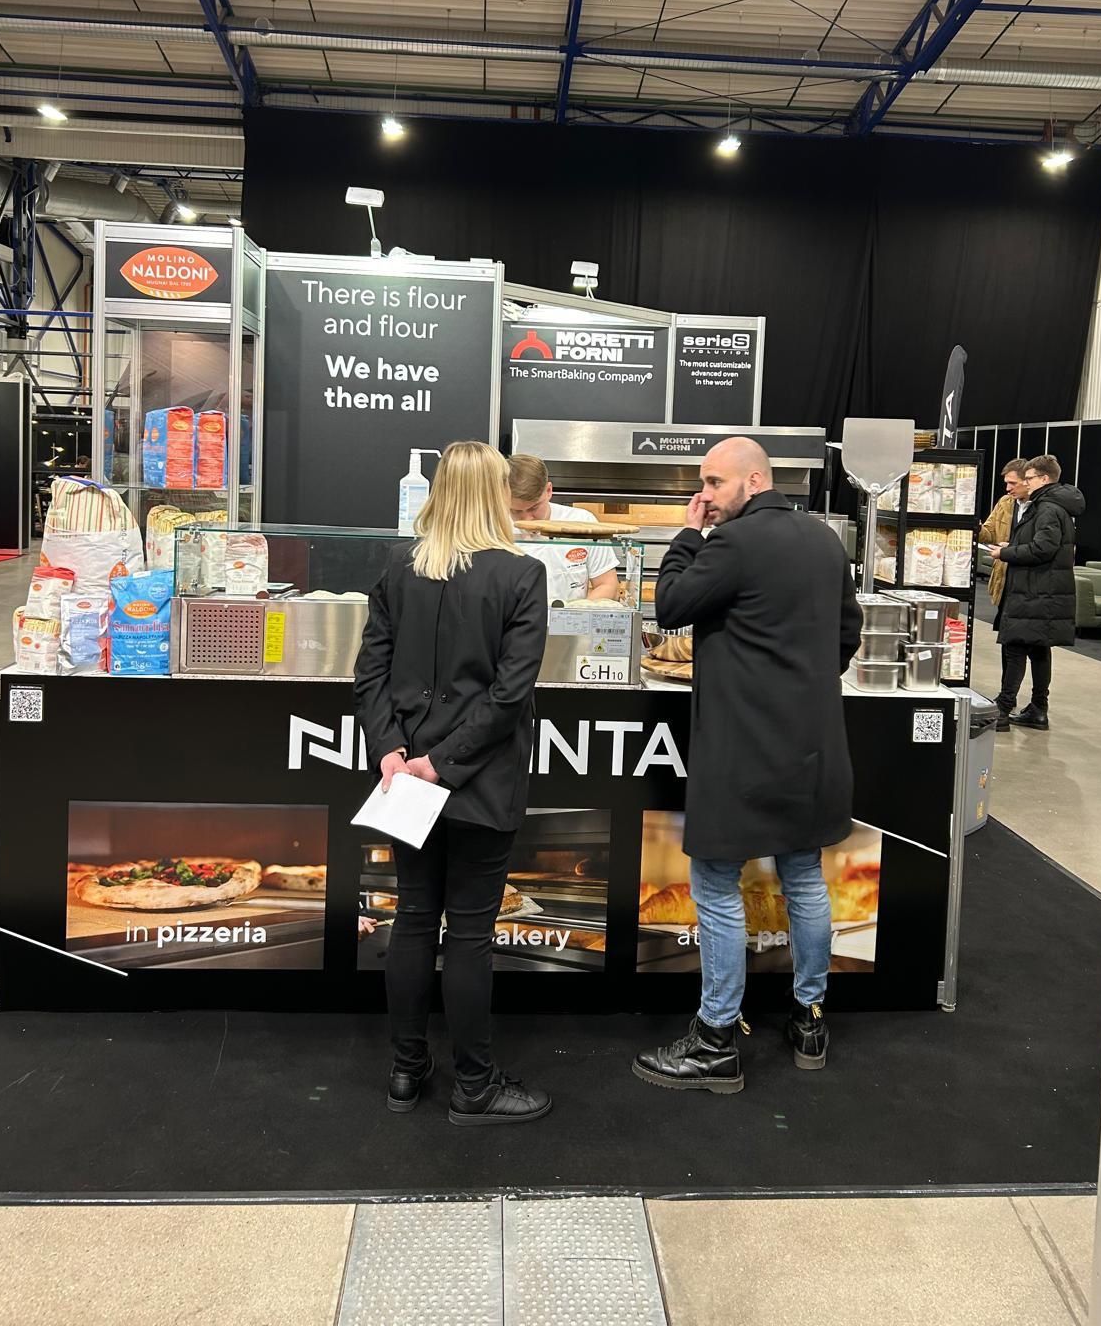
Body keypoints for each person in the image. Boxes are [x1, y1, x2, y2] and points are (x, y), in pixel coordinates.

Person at [633, 438, 862, 1094]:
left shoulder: (731, 543)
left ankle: (715, 1040)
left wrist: (687, 534)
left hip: (741, 751)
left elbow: (671, 606)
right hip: (811, 747)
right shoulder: (824, 541)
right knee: (804, 877)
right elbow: (846, 633)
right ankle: (810, 1019)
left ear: (755, 480)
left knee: (715, 883)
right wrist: (800, 683)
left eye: (714, 482)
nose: (704, 495)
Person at [354, 441, 551, 1125]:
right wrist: (440, 763)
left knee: (413, 917)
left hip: (408, 775)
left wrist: (393, 752)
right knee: (468, 934)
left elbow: (370, 674)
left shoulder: (400, 566)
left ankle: (406, 1071)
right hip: (479, 780)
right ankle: (475, 1085)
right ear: (496, 494)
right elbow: (508, 696)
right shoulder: (522, 574)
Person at [989, 454, 1085, 733]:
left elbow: (1043, 548)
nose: (1026, 482)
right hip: (1043, 591)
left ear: (1044, 479)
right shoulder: (1053, 506)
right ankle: (1038, 709)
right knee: (1039, 649)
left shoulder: (1047, 508)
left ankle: (1002, 710)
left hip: (1034, 591)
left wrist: (1006, 552)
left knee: (1015, 647)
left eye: (1029, 478)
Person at [508, 454, 619, 604]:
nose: (527, 519)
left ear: (549, 490)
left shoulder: (583, 522)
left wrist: (575, 612)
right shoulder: (492, 527)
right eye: (516, 511)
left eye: (534, 508)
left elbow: (608, 585)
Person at [979, 459, 1029, 612]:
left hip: (1028, 579)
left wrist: (1012, 548)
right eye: (1007, 483)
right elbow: (989, 535)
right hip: (1003, 578)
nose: (1008, 488)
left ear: (1027, 481)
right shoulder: (1005, 503)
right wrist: (976, 527)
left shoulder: (1042, 507)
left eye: (1013, 483)